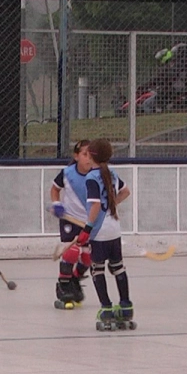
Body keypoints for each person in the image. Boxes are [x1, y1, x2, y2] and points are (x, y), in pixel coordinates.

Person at [74, 139, 134, 327]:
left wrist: (87, 229)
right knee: (118, 267)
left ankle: (106, 307)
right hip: (114, 228)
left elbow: (96, 205)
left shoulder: (91, 177)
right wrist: (112, 204)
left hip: (99, 230)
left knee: (97, 269)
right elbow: (126, 192)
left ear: (91, 155)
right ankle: (125, 306)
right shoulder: (112, 173)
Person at [50, 140, 92, 307]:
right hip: (70, 219)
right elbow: (54, 189)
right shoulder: (67, 173)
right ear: (76, 156)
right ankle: (63, 284)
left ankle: (74, 279)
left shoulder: (97, 174)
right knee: (72, 251)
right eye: (85, 154)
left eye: (92, 155)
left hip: (89, 222)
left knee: (88, 257)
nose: (89, 158)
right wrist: (56, 204)